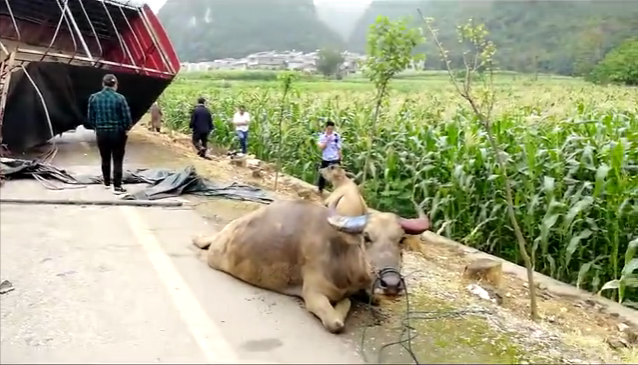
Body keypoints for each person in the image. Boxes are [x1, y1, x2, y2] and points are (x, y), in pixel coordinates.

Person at [87, 74, 132, 195]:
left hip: (101, 132)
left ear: (103, 84)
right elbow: (127, 117)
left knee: (105, 158)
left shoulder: (94, 98)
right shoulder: (120, 98)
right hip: (117, 133)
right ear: (115, 85)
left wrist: (97, 127)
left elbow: (90, 118)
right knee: (117, 159)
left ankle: (106, 183)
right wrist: (126, 128)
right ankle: (117, 186)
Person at [317, 120, 342, 194]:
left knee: (336, 175)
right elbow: (321, 147)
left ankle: (336, 191)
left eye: (331, 129)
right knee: (322, 174)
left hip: (335, 158)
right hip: (326, 158)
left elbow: (339, 148)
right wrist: (327, 140)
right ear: (326, 128)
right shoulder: (322, 136)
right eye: (329, 129)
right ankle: (320, 189)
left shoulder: (336, 136)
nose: (330, 131)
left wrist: (340, 158)